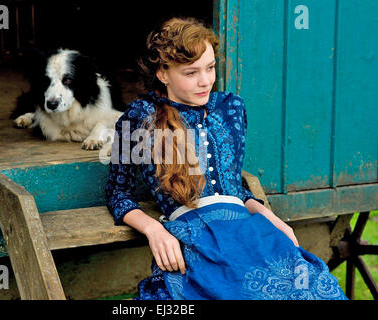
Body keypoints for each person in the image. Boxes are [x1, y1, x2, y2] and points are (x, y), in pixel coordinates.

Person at [105, 17, 347, 300]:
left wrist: (272, 218)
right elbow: (117, 193)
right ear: (163, 73)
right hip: (196, 239)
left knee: (312, 291)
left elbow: (234, 187)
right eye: (191, 72)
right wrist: (154, 230)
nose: (205, 80)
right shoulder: (140, 117)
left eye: (210, 68)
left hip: (248, 233)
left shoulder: (230, 108)